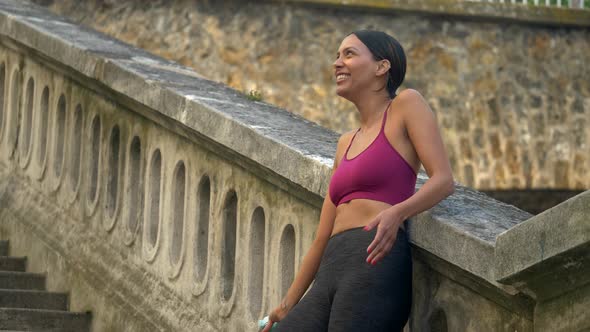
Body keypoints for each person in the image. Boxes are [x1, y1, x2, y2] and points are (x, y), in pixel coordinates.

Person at [262, 30, 455, 332]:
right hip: (330, 271)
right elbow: (321, 238)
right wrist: (287, 305)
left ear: (382, 67)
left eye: (349, 54)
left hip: (374, 263)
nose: (337, 63)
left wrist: (397, 212)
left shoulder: (406, 105)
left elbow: (443, 180)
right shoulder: (345, 143)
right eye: (337, 56)